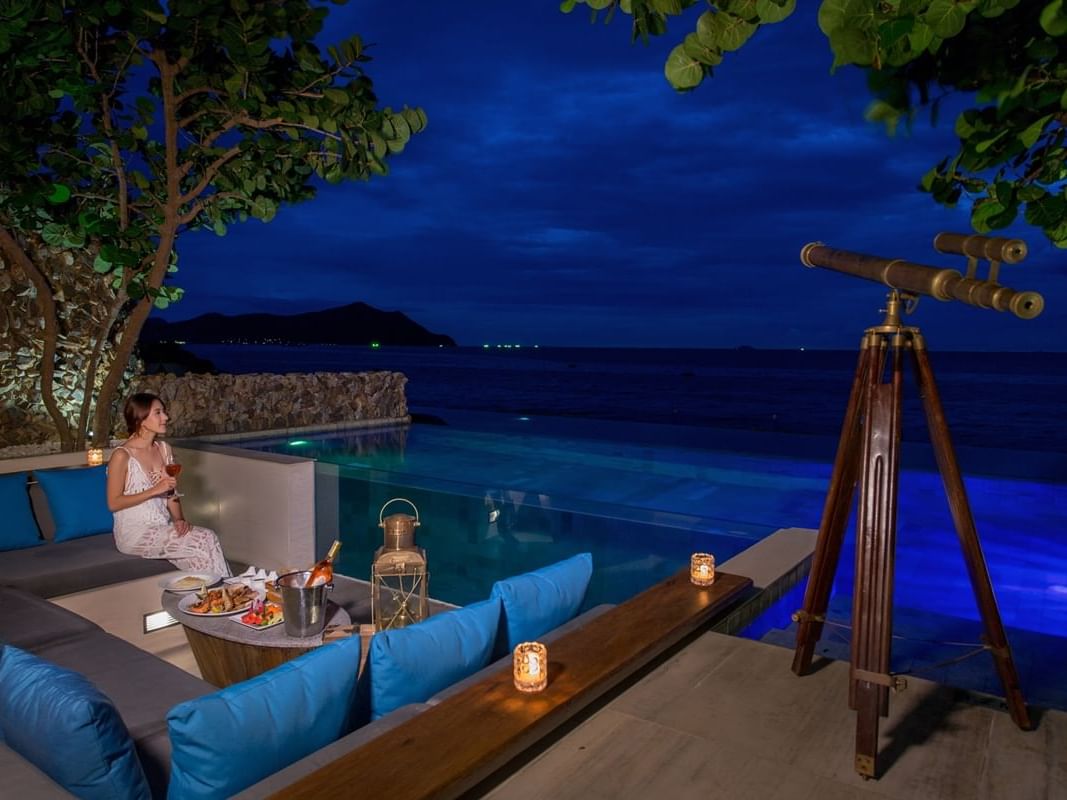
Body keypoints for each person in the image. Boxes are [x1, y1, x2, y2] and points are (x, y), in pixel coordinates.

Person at [106, 392, 231, 576]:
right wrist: (154, 490)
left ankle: (214, 600)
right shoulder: (122, 455)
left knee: (200, 560)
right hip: (133, 534)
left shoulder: (164, 449)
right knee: (206, 538)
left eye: (163, 412)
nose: (166, 417)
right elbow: (113, 503)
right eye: (158, 412)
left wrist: (179, 520)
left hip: (162, 527)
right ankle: (232, 594)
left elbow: (171, 493)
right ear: (141, 418)